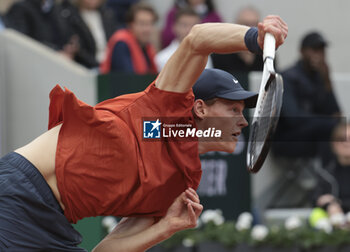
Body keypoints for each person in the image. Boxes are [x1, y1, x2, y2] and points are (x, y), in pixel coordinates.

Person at [0, 15, 288, 251]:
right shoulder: (164, 108)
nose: (244, 122)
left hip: (53, 222)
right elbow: (198, 38)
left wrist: (165, 229)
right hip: (17, 191)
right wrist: (254, 37)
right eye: (233, 110)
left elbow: (105, 250)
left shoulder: (179, 182)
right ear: (199, 109)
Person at [273, 31, 341, 158]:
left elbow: (336, 114)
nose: (318, 55)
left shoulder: (321, 78)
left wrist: (327, 82)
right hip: (287, 140)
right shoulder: (287, 77)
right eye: (314, 50)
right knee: (332, 129)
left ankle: (335, 175)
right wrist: (328, 123)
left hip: (315, 135)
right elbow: (293, 118)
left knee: (340, 132)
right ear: (302, 51)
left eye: (321, 51)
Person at [5, 0, 79, 60]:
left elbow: (65, 34)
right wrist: (55, 52)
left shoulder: (57, 10)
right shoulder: (21, 8)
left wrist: (69, 46)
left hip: (60, 62)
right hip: (35, 62)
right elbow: (22, 41)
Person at [100, 2, 158, 74]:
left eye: (150, 24)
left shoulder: (147, 48)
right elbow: (128, 79)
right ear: (131, 25)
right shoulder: (121, 44)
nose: (147, 29)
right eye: (142, 24)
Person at [60, 0, 119, 69]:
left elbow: (114, 42)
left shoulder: (107, 14)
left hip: (110, 65)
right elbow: (78, 49)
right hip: (87, 67)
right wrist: (99, 65)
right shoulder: (70, 16)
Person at [211, 6, 264, 73]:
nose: (251, 29)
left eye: (255, 24)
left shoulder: (266, 55)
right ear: (236, 26)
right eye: (246, 24)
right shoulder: (220, 54)